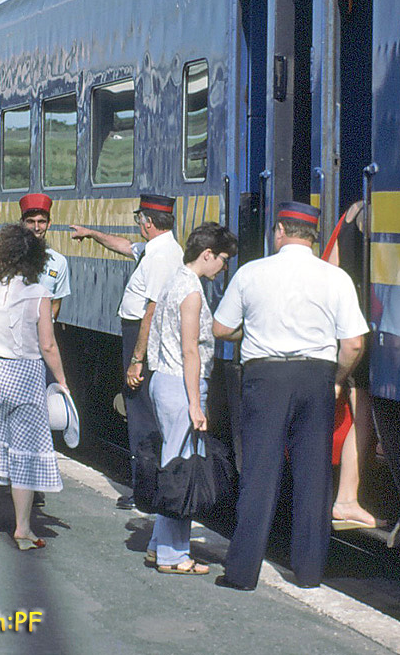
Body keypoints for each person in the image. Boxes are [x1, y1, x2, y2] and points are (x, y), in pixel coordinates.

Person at [212, 202, 368, 590]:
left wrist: (250, 331)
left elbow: (220, 328)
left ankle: (242, 573)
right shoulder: (336, 278)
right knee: (313, 478)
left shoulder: (251, 273)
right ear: (313, 236)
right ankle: (310, 574)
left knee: (259, 474)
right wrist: (336, 380)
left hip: (265, 378)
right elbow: (353, 343)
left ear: (280, 230)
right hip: (316, 378)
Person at [70, 193, 183, 510]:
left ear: (148, 222)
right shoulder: (155, 249)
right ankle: (147, 487)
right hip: (138, 334)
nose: (138, 225)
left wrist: (136, 359)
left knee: (141, 414)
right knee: (141, 411)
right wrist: (92, 234)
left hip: (141, 336)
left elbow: (152, 310)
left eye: (139, 220)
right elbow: (123, 246)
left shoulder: (161, 257)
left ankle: (145, 492)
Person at [0, 224, 68, 549]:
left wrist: (9, 243)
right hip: (26, 374)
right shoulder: (40, 293)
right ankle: (22, 530)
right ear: (36, 258)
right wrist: (62, 380)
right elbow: (48, 345)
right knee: (26, 453)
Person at [146, 222, 237, 576]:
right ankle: (173, 555)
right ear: (207, 254)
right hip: (181, 385)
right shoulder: (192, 292)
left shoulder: (174, 280)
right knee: (181, 469)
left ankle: (159, 545)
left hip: (163, 380)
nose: (224, 267)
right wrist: (196, 404)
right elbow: (190, 350)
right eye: (223, 259)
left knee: (173, 462)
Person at [325, 200, 378, 530]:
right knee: (362, 419)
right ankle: (346, 498)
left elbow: (331, 265)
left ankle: (344, 496)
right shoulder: (373, 210)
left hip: (348, 324)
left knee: (360, 418)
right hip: (363, 329)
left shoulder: (350, 213)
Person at [0, 193, 70, 319]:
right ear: (22, 223)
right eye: (30, 221)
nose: (36, 227)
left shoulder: (59, 262)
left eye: (41, 222)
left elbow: (56, 303)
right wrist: (9, 243)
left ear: (49, 224)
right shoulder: (6, 254)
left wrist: (45, 325)